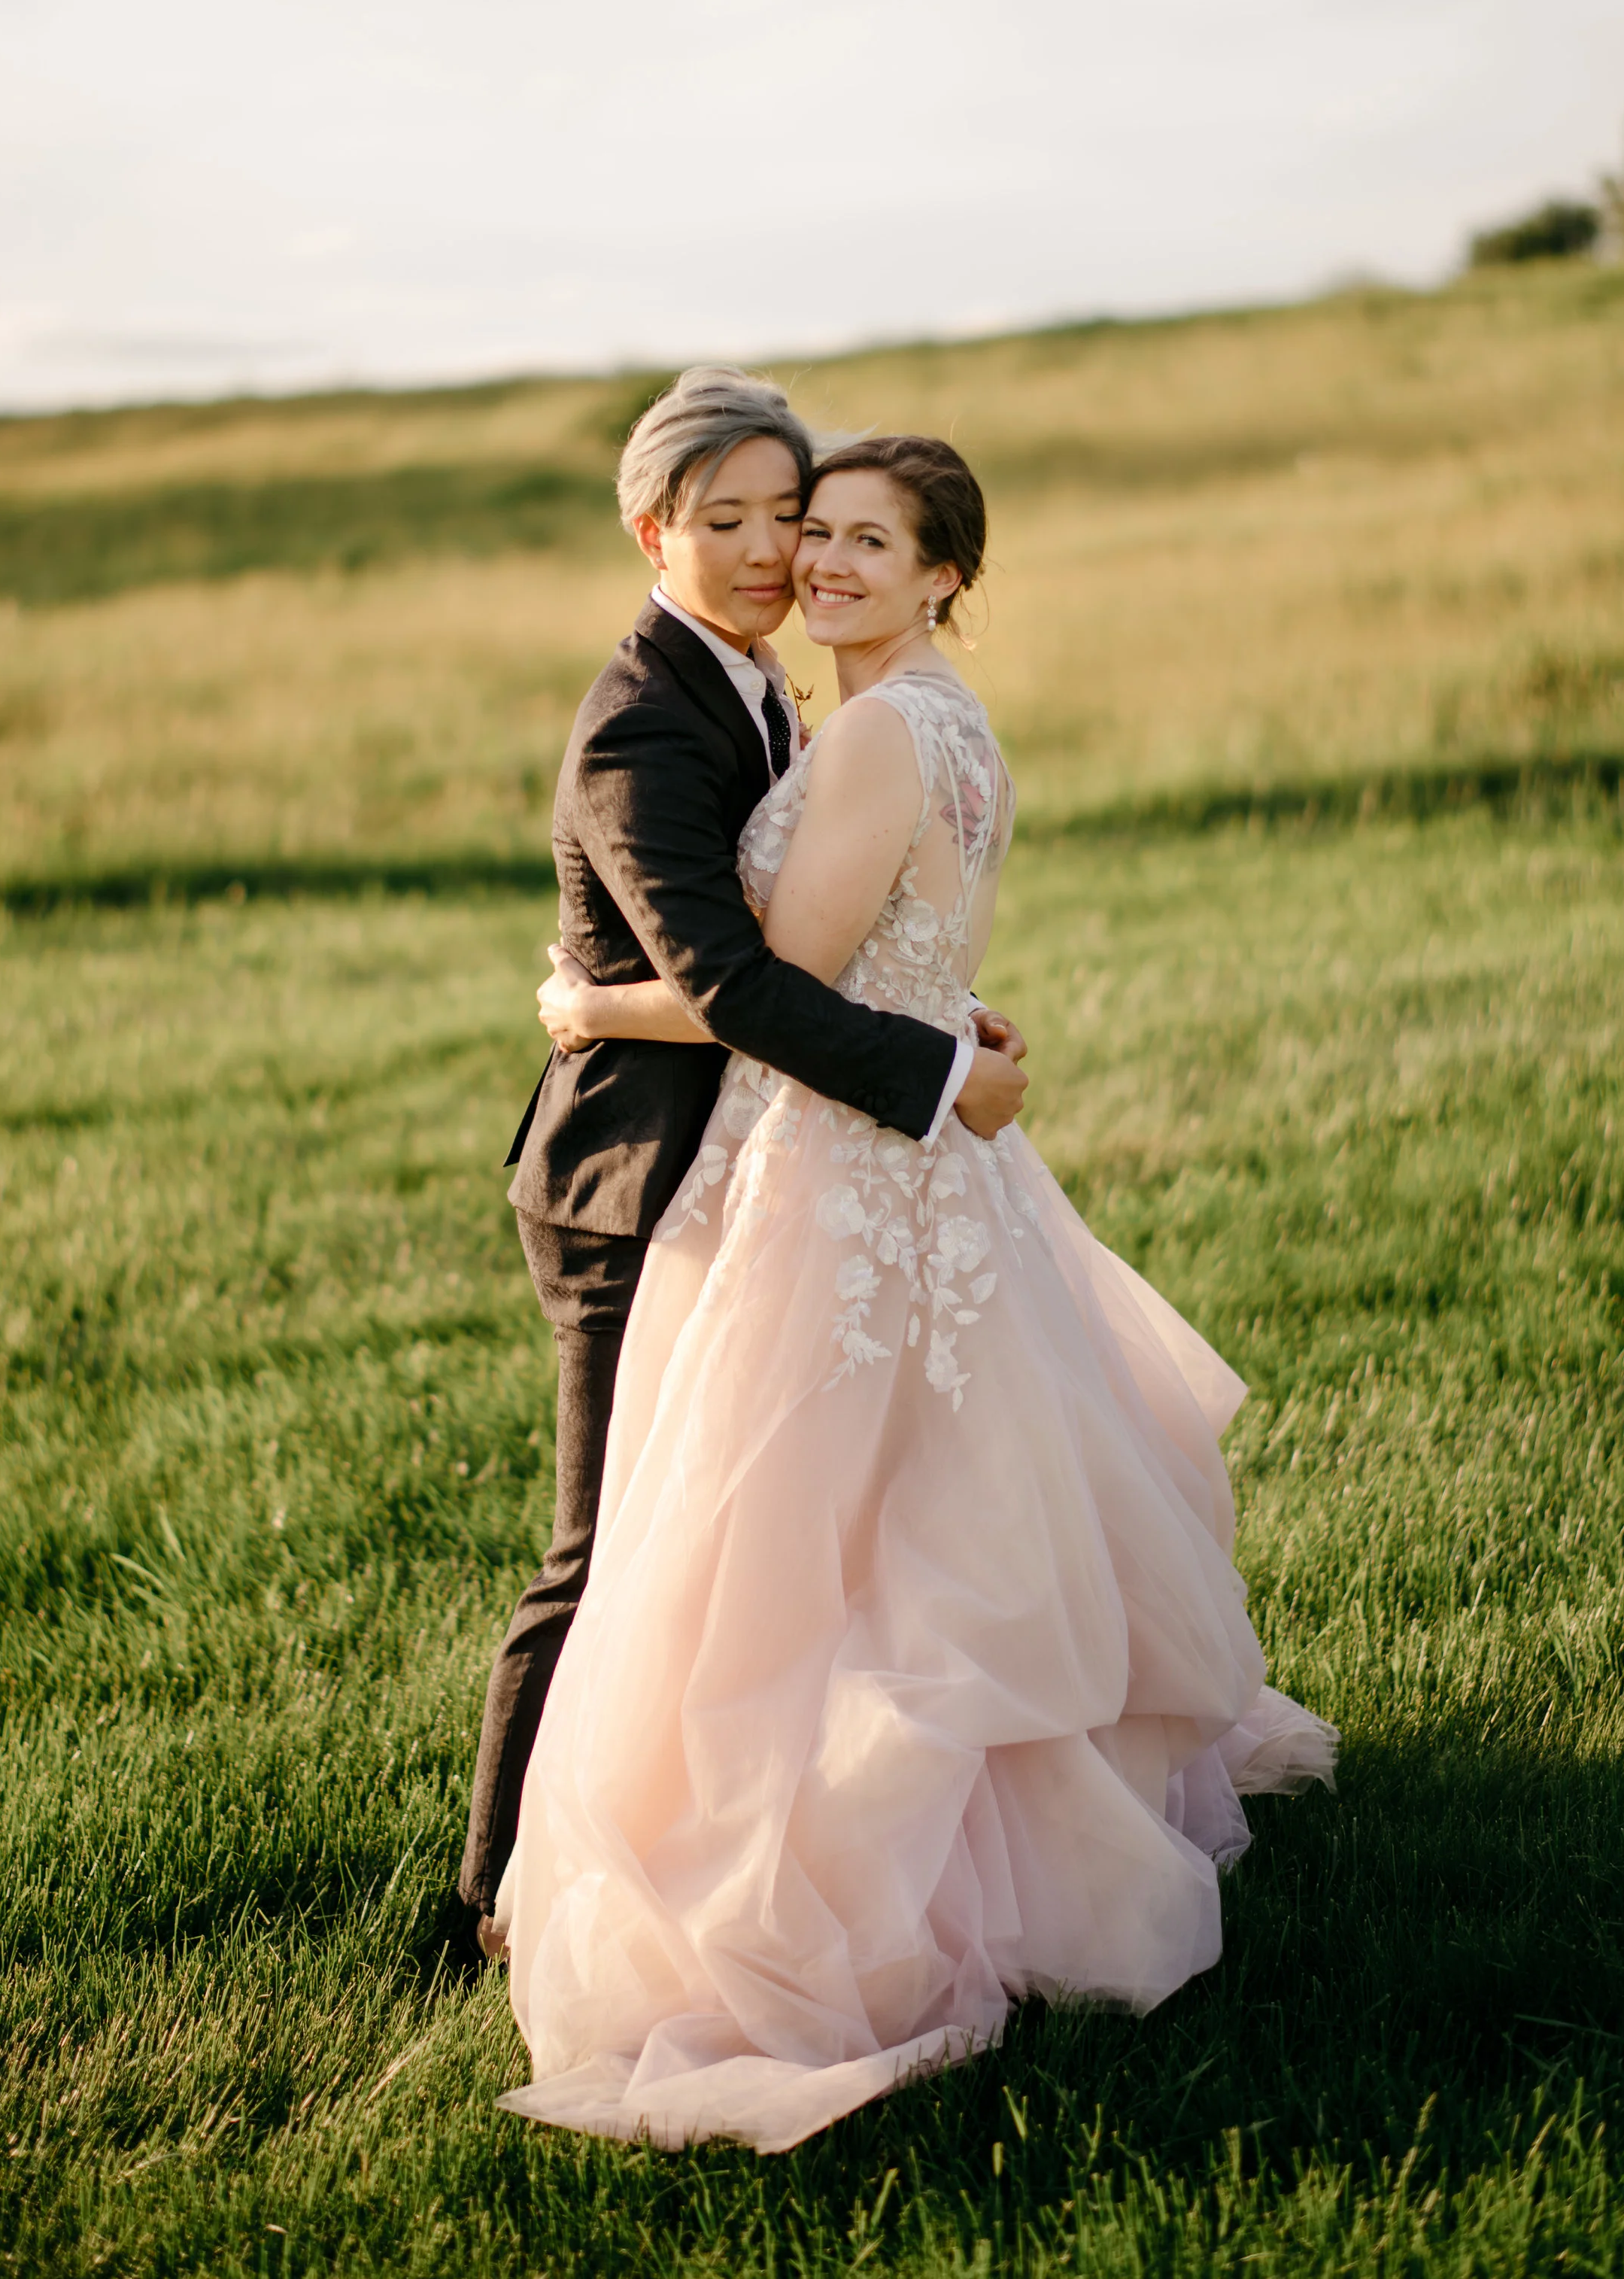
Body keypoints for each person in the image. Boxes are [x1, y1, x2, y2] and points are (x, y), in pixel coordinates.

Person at [492, 433, 1336, 2152]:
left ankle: (802, 1885)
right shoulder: (924, 719)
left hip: (838, 1171)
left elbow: (767, 978)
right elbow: (893, 946)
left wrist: (587, 1007)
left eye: (865, 540)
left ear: (947, 571)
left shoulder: (875, 725)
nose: (820, 563)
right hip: (899, 1157)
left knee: (786, 1548)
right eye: (816, 534)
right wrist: (946, 1037)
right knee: (908, 1529)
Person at [443, 372, 1031, 1979]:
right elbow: (730, 983)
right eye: (734, 520)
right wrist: (938, 1076)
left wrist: (934, 1015)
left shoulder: (772, 684)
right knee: (606, 1543)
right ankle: (489, 1893)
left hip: (755, 1151)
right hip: (624, 1181)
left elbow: (829, 933)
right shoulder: (644, 711)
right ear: (653, 530)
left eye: (796, 513)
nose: (774, 547)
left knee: (741, 1533)